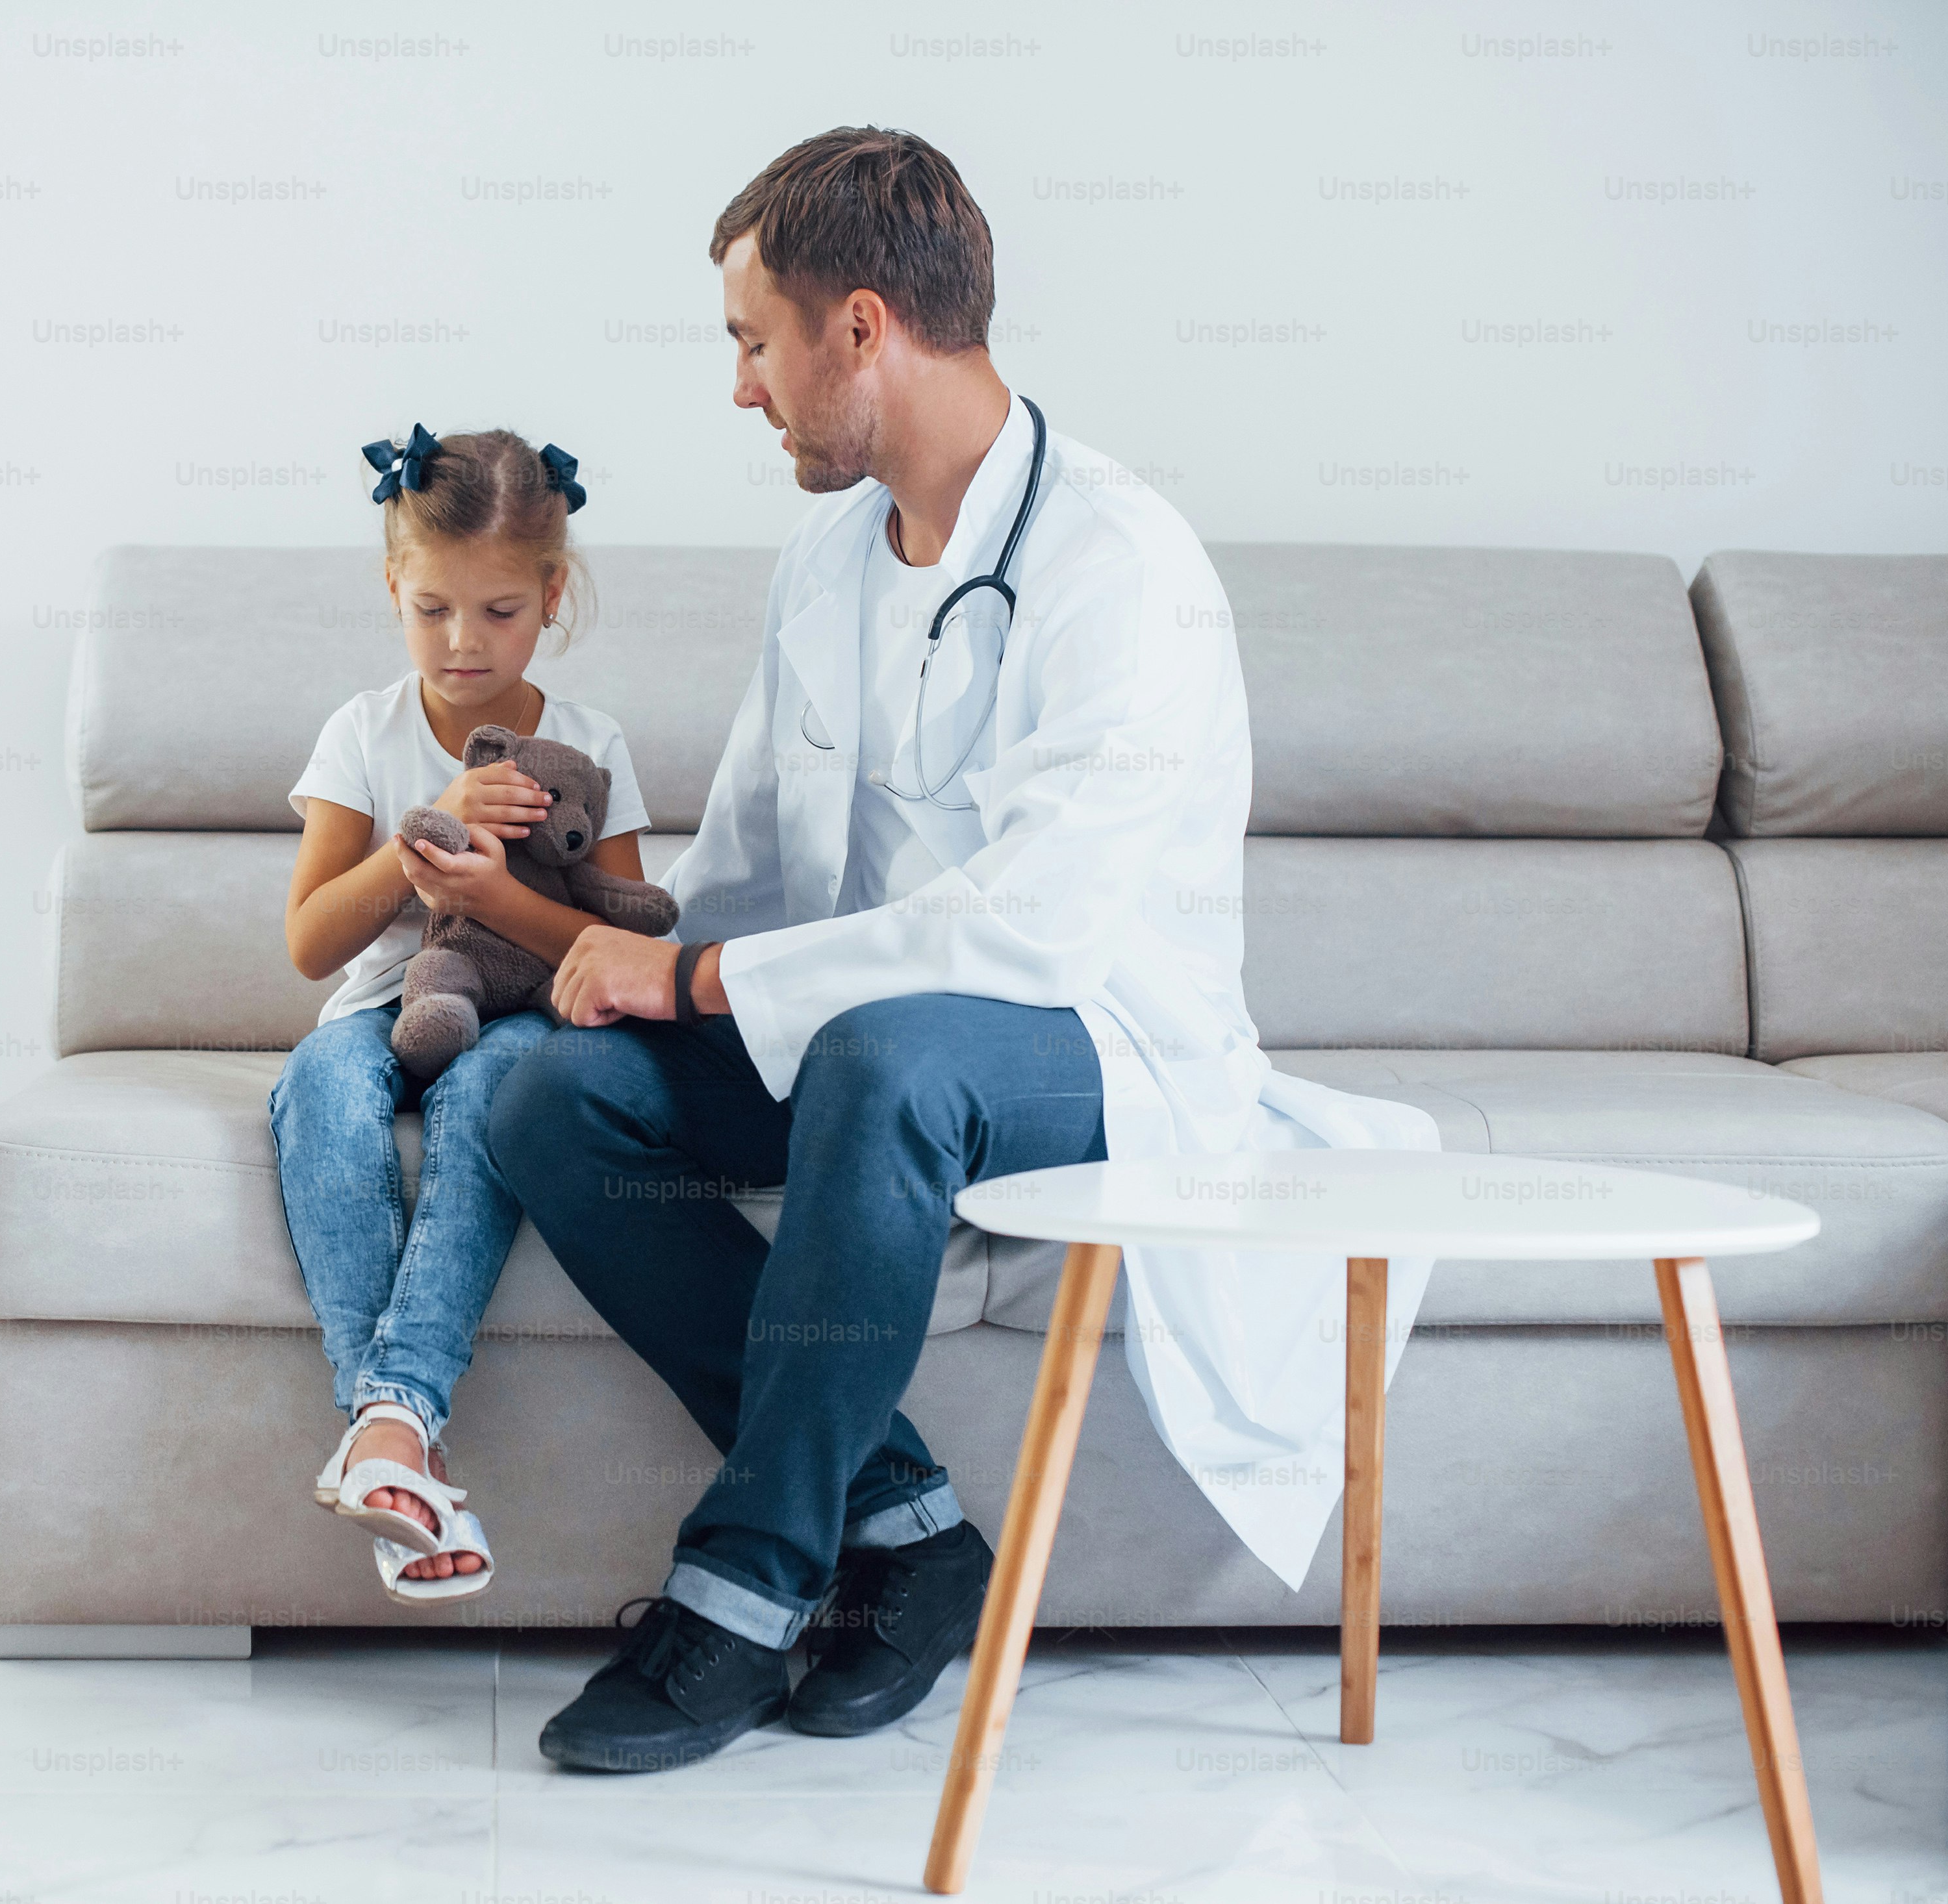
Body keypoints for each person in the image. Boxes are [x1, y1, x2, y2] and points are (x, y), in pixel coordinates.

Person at [489, 129, 1437, 1771]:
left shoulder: (1118, 563)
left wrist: (706, 985)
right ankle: (916, 1540)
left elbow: (1034, 923)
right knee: (542, 1096)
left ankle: (746, 1587)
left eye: (750, 341)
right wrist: (580, 942)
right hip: (871, 1046)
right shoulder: (826, 558)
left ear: (861, 328)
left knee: (887, 1048)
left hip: (1086, 1042)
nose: (740, 389)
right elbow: (754, 869)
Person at [272, 425, 652, 1603]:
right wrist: (422, 840)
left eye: (498, 613)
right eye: (432, 609)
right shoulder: (364, 733)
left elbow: (628, 950)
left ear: (551, 598)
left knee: (502, 1091)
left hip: (527, 1012)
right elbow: (310, 945)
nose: (461, 643)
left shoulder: (587, 746)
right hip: (387, 1005)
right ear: (394, 586)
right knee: (324, 1085)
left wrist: (496, 896)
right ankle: (402, 1431)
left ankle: (388, 1430)